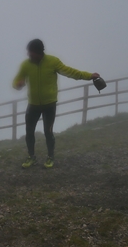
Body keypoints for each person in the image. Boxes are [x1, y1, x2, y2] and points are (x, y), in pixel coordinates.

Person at [12, 39, 100, 169]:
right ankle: (31, 157)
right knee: (29, 132)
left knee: (48, 132)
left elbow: (70, 72)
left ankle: (50, 157)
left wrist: (89, 76)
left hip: (49, 104)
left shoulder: (53, 62)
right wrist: (18, 84)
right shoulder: (26, 65)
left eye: (31, 53)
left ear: (39, 52)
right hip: (33, 105)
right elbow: (16, 81)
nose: (29, 55)